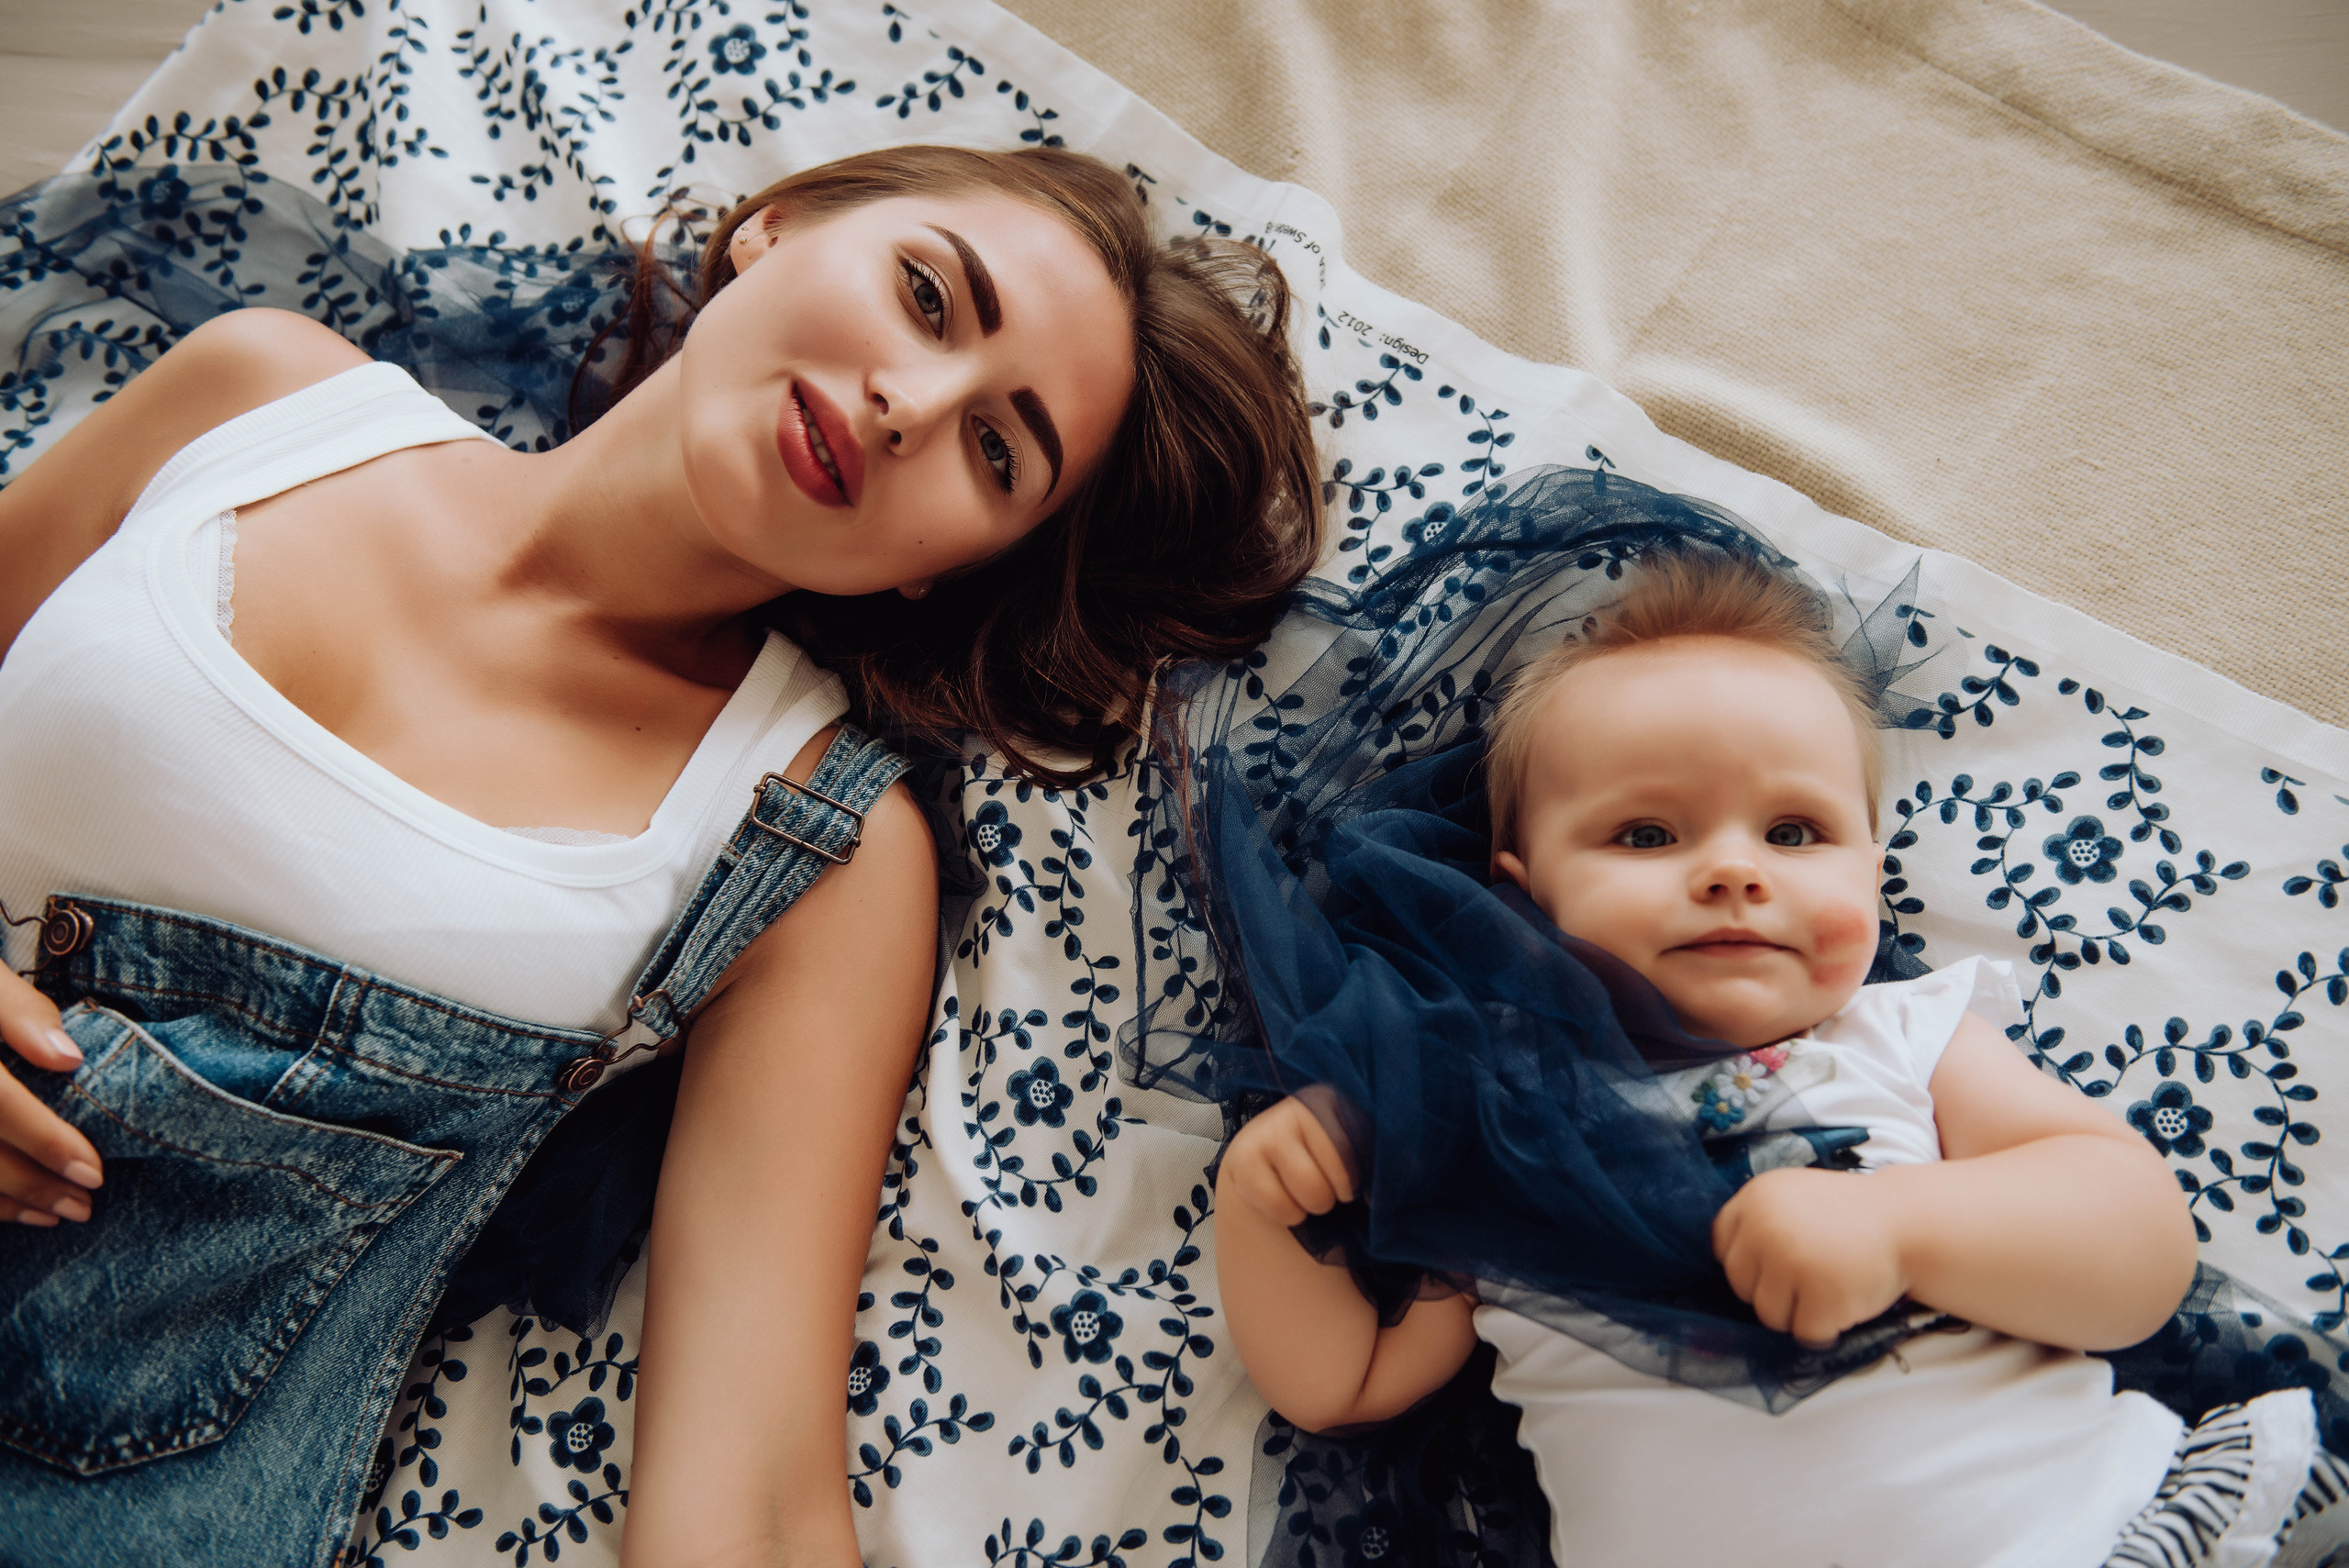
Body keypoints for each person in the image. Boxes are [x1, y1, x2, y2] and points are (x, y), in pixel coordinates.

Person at [0, 144, 1319, 1566]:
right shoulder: (261, 396)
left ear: (943, 564)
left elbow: (747, 1494)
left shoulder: (814, 851)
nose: (910, 406)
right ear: (774, 231)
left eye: (998, 453)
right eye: (928, 297)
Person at [1208, 545, 2349, 1568]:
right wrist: (1260, 1209)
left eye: (1794, 832)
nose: (1732, 870)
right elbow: (1348, 1384)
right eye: (1646, 833)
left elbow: (2137, 1249)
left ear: (1871, 873)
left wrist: (1896, 1226)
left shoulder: (1900, 1036)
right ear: (1525, 899)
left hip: (2081, 1532)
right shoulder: (1501, 1121)